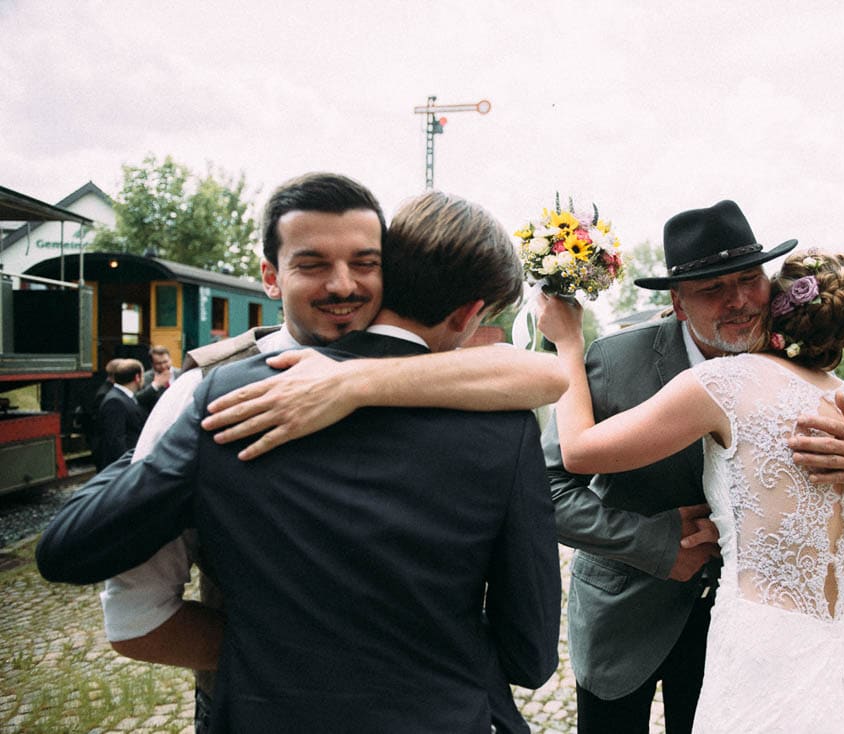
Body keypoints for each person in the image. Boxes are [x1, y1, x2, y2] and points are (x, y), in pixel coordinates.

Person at [37, 190, 561, 733]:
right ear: (470, 313)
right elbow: (530, 655)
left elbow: (74, 558)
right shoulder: (505, 426)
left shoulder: (224, 396)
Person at [540, 200, 844, 733]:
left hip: (748, 641)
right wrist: (654, 544)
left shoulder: (797, 357)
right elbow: (548, 488)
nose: (739, 301)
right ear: (678, 302)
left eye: (749, 279)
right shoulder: (612, 360)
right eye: (713, 288)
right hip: (626, 615)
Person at [94, 358, 147, 470]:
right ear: (137, 377)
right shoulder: (115, 401)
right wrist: (127, 467)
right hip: (123, 468)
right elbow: (116, 441)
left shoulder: (123, 397)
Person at [135, 345, 180, 412]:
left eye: (165, 362)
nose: (163, 366)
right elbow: (137, 399)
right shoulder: (145, 377)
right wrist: (155, 385)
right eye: (158, 363)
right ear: (152, 364)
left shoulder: (181, 374)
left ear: (171, 359)